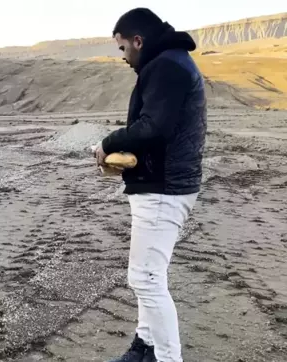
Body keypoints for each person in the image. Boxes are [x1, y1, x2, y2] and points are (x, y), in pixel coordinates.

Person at [93, 8, 207, 362]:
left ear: (138, 41)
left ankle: (167, 358)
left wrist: (107, 144)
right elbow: (159, 128)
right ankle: (145, 347)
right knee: (150, 275)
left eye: (124, 48)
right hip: (164, 184)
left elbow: (152, 127)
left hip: (164, 189)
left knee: (145, 279)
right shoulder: (171, 61)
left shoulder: (167, 66)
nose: (124, 58)